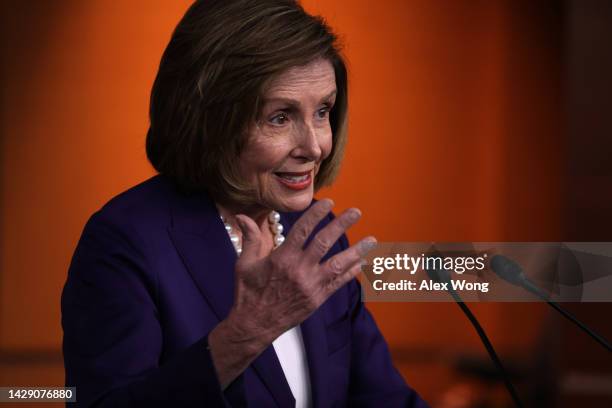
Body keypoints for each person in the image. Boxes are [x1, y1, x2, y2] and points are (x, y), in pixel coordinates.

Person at [61, 0, 428, 406]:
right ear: (208, 120)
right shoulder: (127, 242)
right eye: (280, 117)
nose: (315, 145)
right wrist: (244, 335)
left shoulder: (319, 236)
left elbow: (385, 400)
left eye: (323, 110)